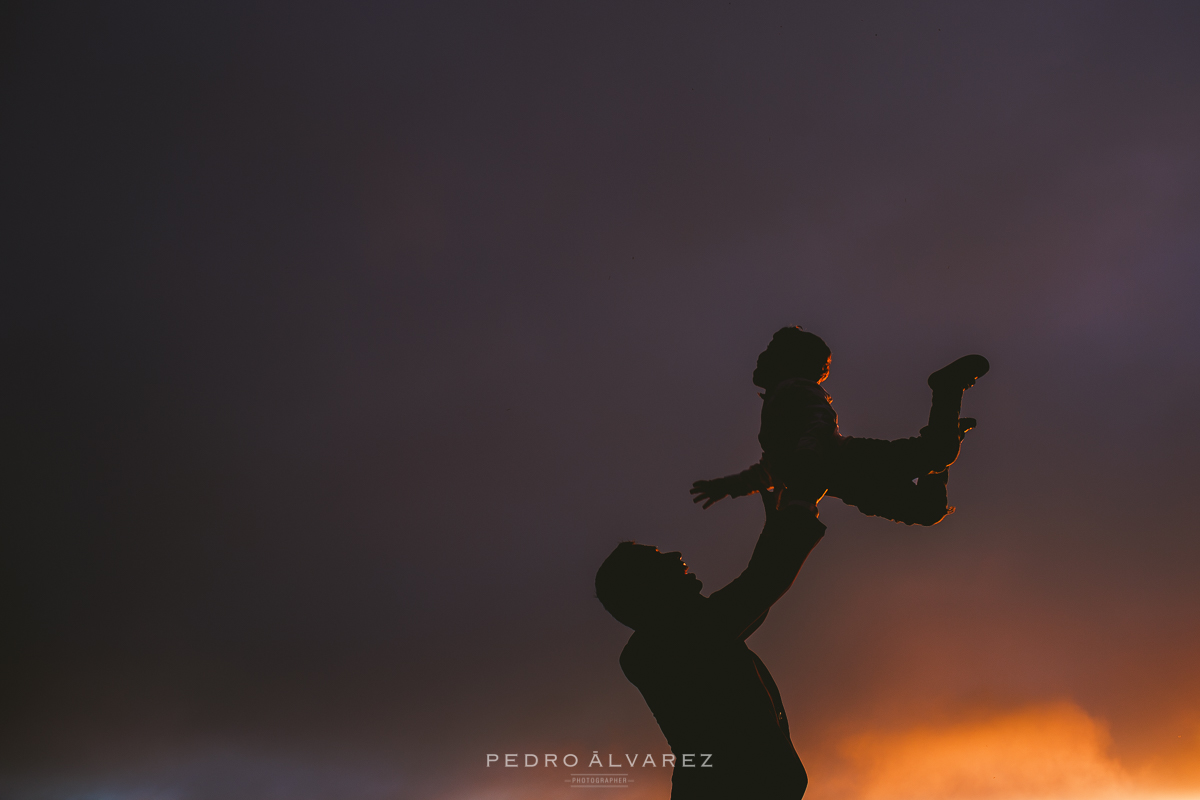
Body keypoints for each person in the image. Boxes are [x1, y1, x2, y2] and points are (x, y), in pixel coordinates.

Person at [596, 478, 826, 799]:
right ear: (646, 586)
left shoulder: (674, 639)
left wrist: (777, 521)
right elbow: (760, 585)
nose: (676, 555)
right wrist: (800, 503)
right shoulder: (668, 643)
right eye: (658, 556)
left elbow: (753, 599)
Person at [690, 326, 989, 526]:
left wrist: (808, 456)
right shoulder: (776, 413)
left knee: (937, 453)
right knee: (928, 509)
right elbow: (771, 469)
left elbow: (820, 421)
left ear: (788, 362)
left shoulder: (796, 389)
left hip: (853, 459)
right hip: (849, 483)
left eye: (769, 352)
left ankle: (947, 389)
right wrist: (729, 486)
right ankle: (948, 426)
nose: (759, 357)